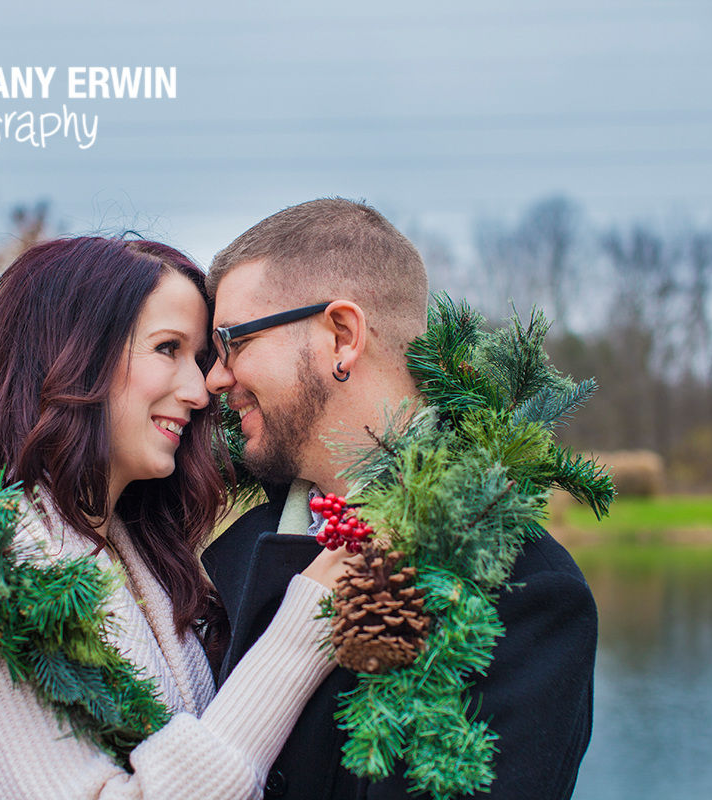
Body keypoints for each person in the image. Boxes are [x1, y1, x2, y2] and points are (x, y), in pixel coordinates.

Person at [0, 236, 352, 800]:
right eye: (168, 349)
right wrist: (305, 627)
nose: (200, 390)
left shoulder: (136, 547)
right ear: (71, 354)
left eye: (201, 359)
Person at [201, 199, 598, 800]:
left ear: (342, 335)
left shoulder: (526, 593)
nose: (214, 378)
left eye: (232, 342)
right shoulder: (221, 563)